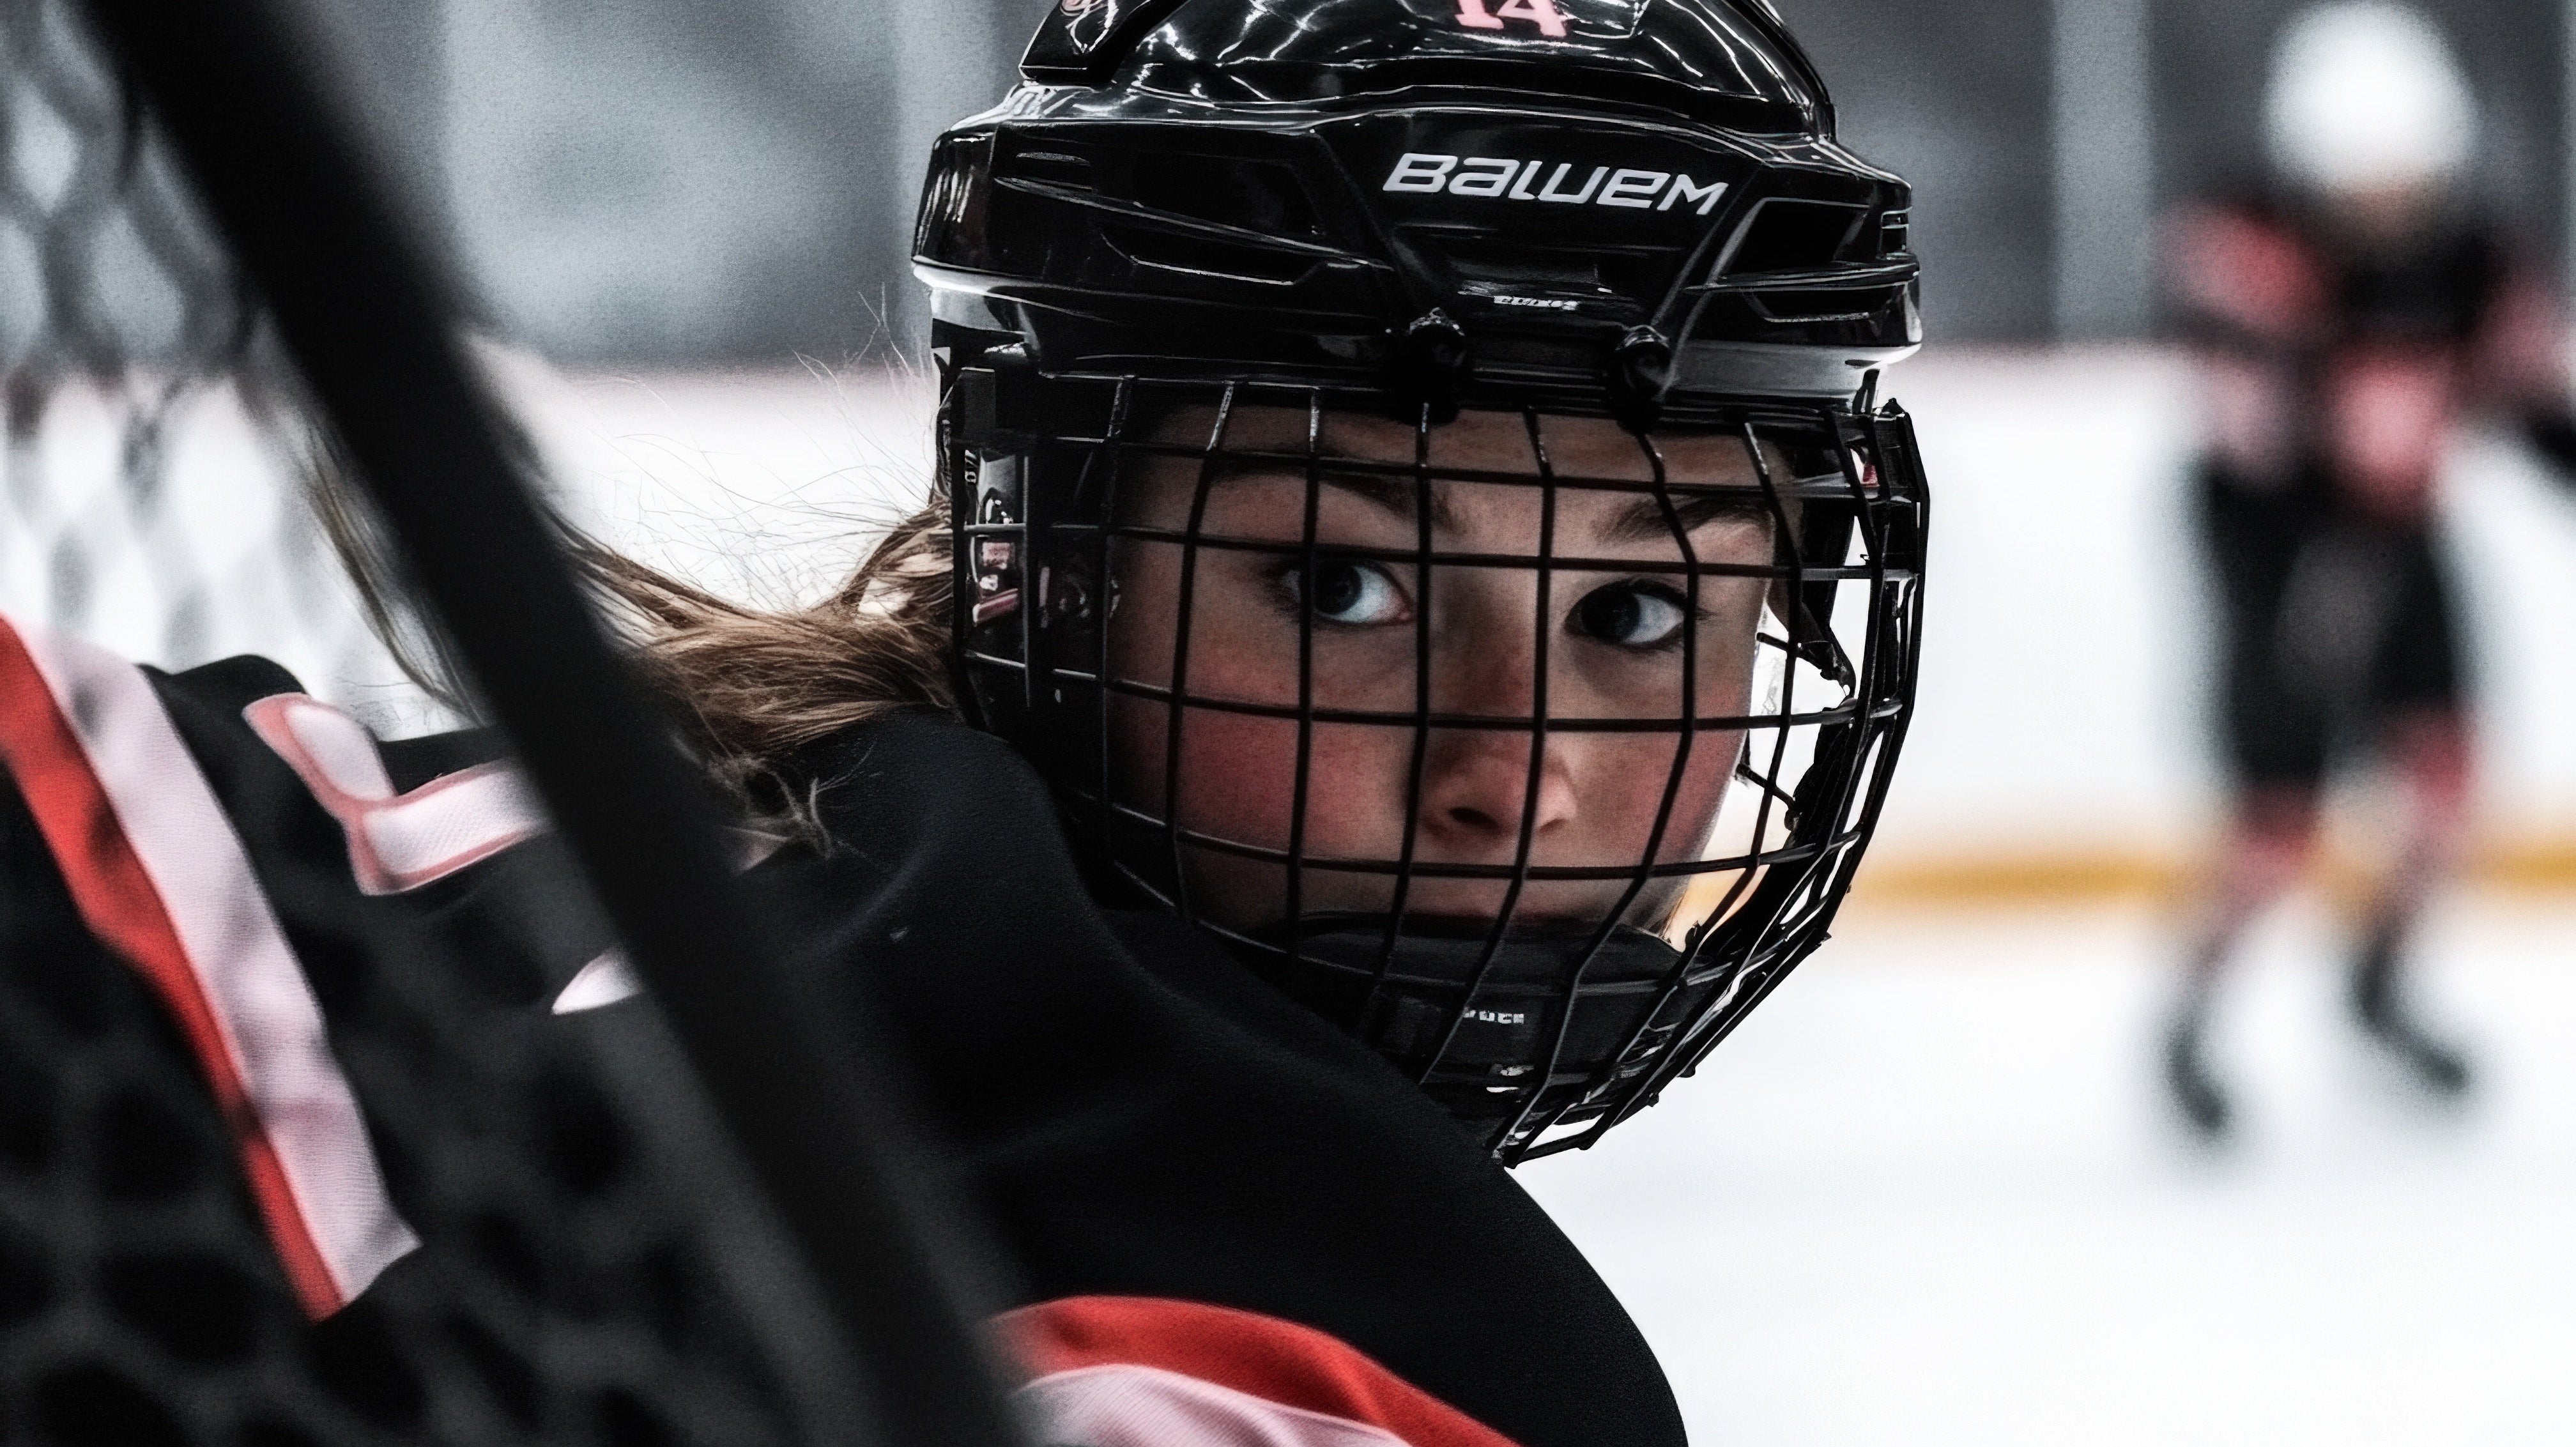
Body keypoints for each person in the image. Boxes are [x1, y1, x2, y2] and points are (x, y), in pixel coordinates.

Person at [0, 0, 1926, 1439]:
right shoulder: (1368, 1324)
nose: (1516, 768)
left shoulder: (530, 848)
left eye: (1641, 609)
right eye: (1344, 586)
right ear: (1042, 568)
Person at [2161, 1, 2576, 1140]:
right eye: (2363, 186)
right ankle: (2192, 1018)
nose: (2389, 209)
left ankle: (2381, 981)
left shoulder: (2481, 257)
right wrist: (2306, 585)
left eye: (2409, 181)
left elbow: (2536, 409)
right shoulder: (2249, 245)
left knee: (2446, 782)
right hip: (2270, 539)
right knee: (2278, 815)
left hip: (2401, 531)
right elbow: (2259, 434)